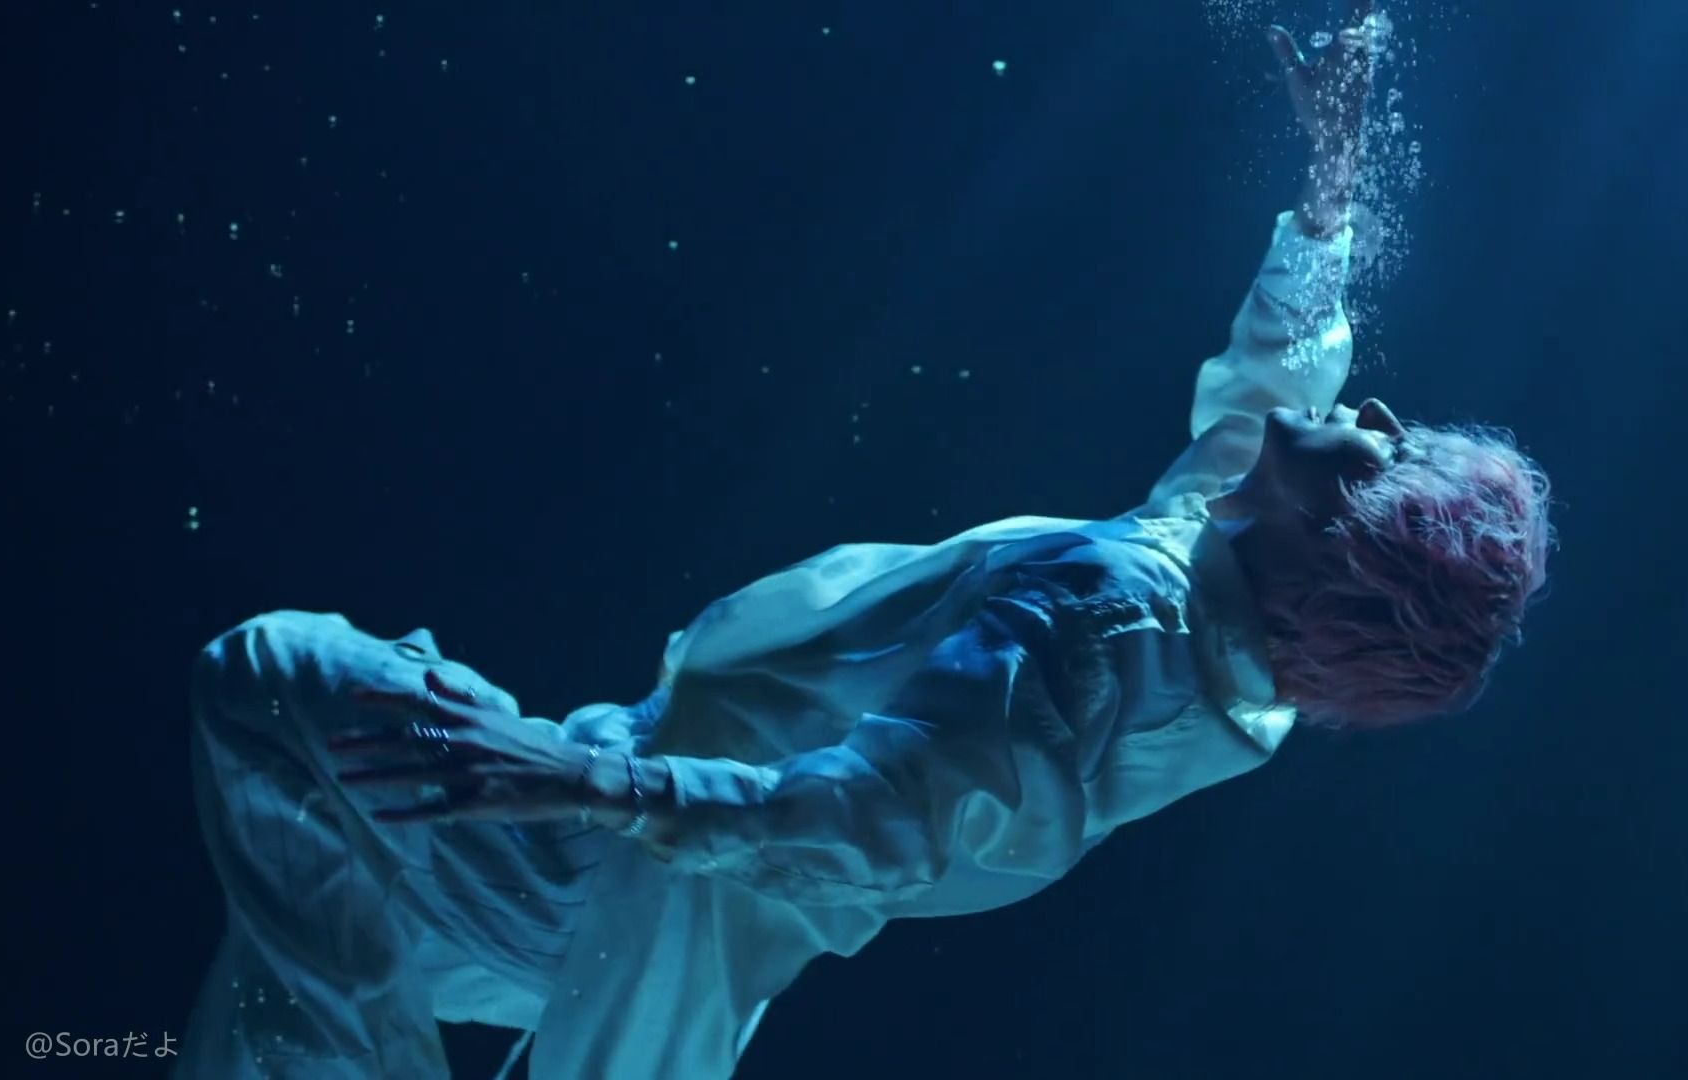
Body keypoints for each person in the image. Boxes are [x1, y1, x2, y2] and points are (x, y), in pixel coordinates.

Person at [178, 9, 1553, 1079]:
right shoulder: (1208, 609)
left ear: (1344, 547)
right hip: (639, 824)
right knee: (282, 943)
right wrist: (1330, 185)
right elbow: (1270, 394)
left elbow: (860, 820)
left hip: (629, 855)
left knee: (269, 677)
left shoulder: (1109, 624)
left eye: (1394, 455)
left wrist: (583, 780)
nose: (1379, 415)